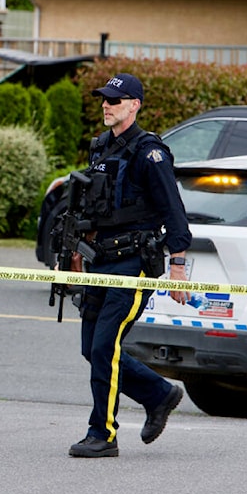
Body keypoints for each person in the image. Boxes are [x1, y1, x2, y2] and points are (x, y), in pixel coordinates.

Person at [68, 72, 192, 458]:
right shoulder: (101, 147)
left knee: (106, 346)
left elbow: (175, 213)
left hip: (133, 263)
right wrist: (76, 252)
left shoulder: (149, 153)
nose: (106, 105)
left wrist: (177, 270)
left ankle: (102, 434)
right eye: (104, 99)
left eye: (115, 100)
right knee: (93, 348)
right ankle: (159, 394)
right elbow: (95, 207)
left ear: (134, 105)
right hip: (100, 260)